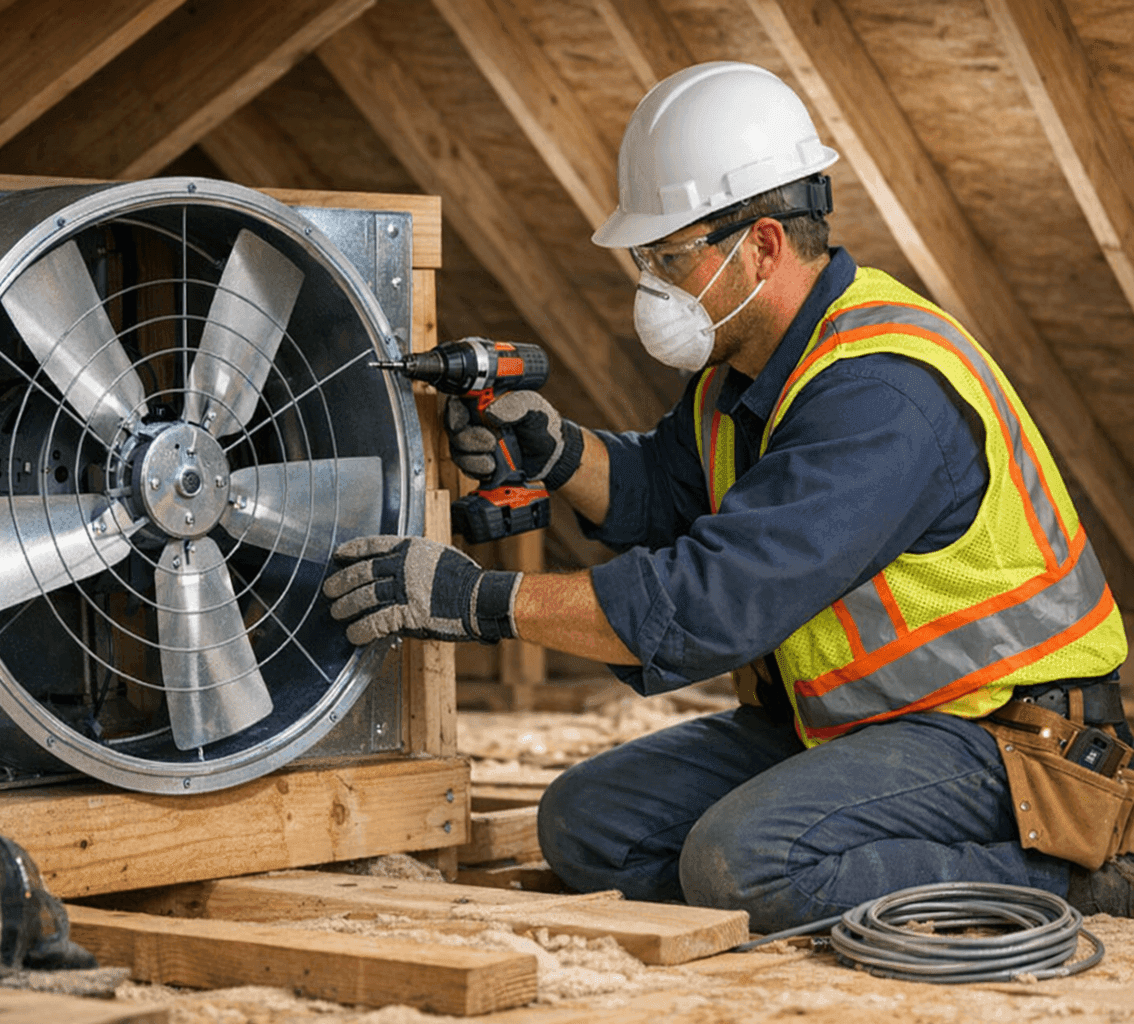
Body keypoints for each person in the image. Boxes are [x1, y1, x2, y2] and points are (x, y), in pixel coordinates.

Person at [323, 60, 1132, 933]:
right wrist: (557, 451)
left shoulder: (879, 394)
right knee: (588, 825)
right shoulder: (742, 371)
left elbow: (711, 603)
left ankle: (1073, 878)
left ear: (763, 246)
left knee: (742, 861)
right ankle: (794, 885)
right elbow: (665, 488)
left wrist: (480, 602)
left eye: (670, 257)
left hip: (1002, 738)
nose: (650, 283)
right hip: (855, 725)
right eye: (645, 258)